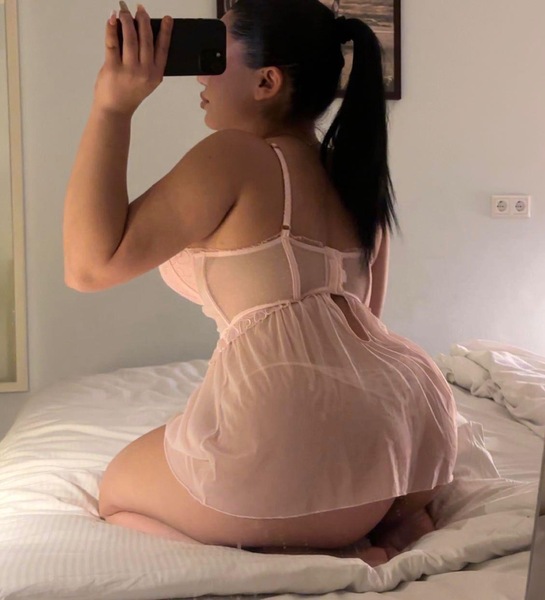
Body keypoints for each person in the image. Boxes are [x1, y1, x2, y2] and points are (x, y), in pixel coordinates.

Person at [63, 0, 458, 567]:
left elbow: (87, 267)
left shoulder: (236, 156)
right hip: (402, 448)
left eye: (215, 54)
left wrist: (112, 106)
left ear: (266, 82)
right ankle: (378, 531)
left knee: (116, 494)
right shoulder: (354, 177)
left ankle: (283, 556)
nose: (200, 76)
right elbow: (363, 326)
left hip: (289, 458)